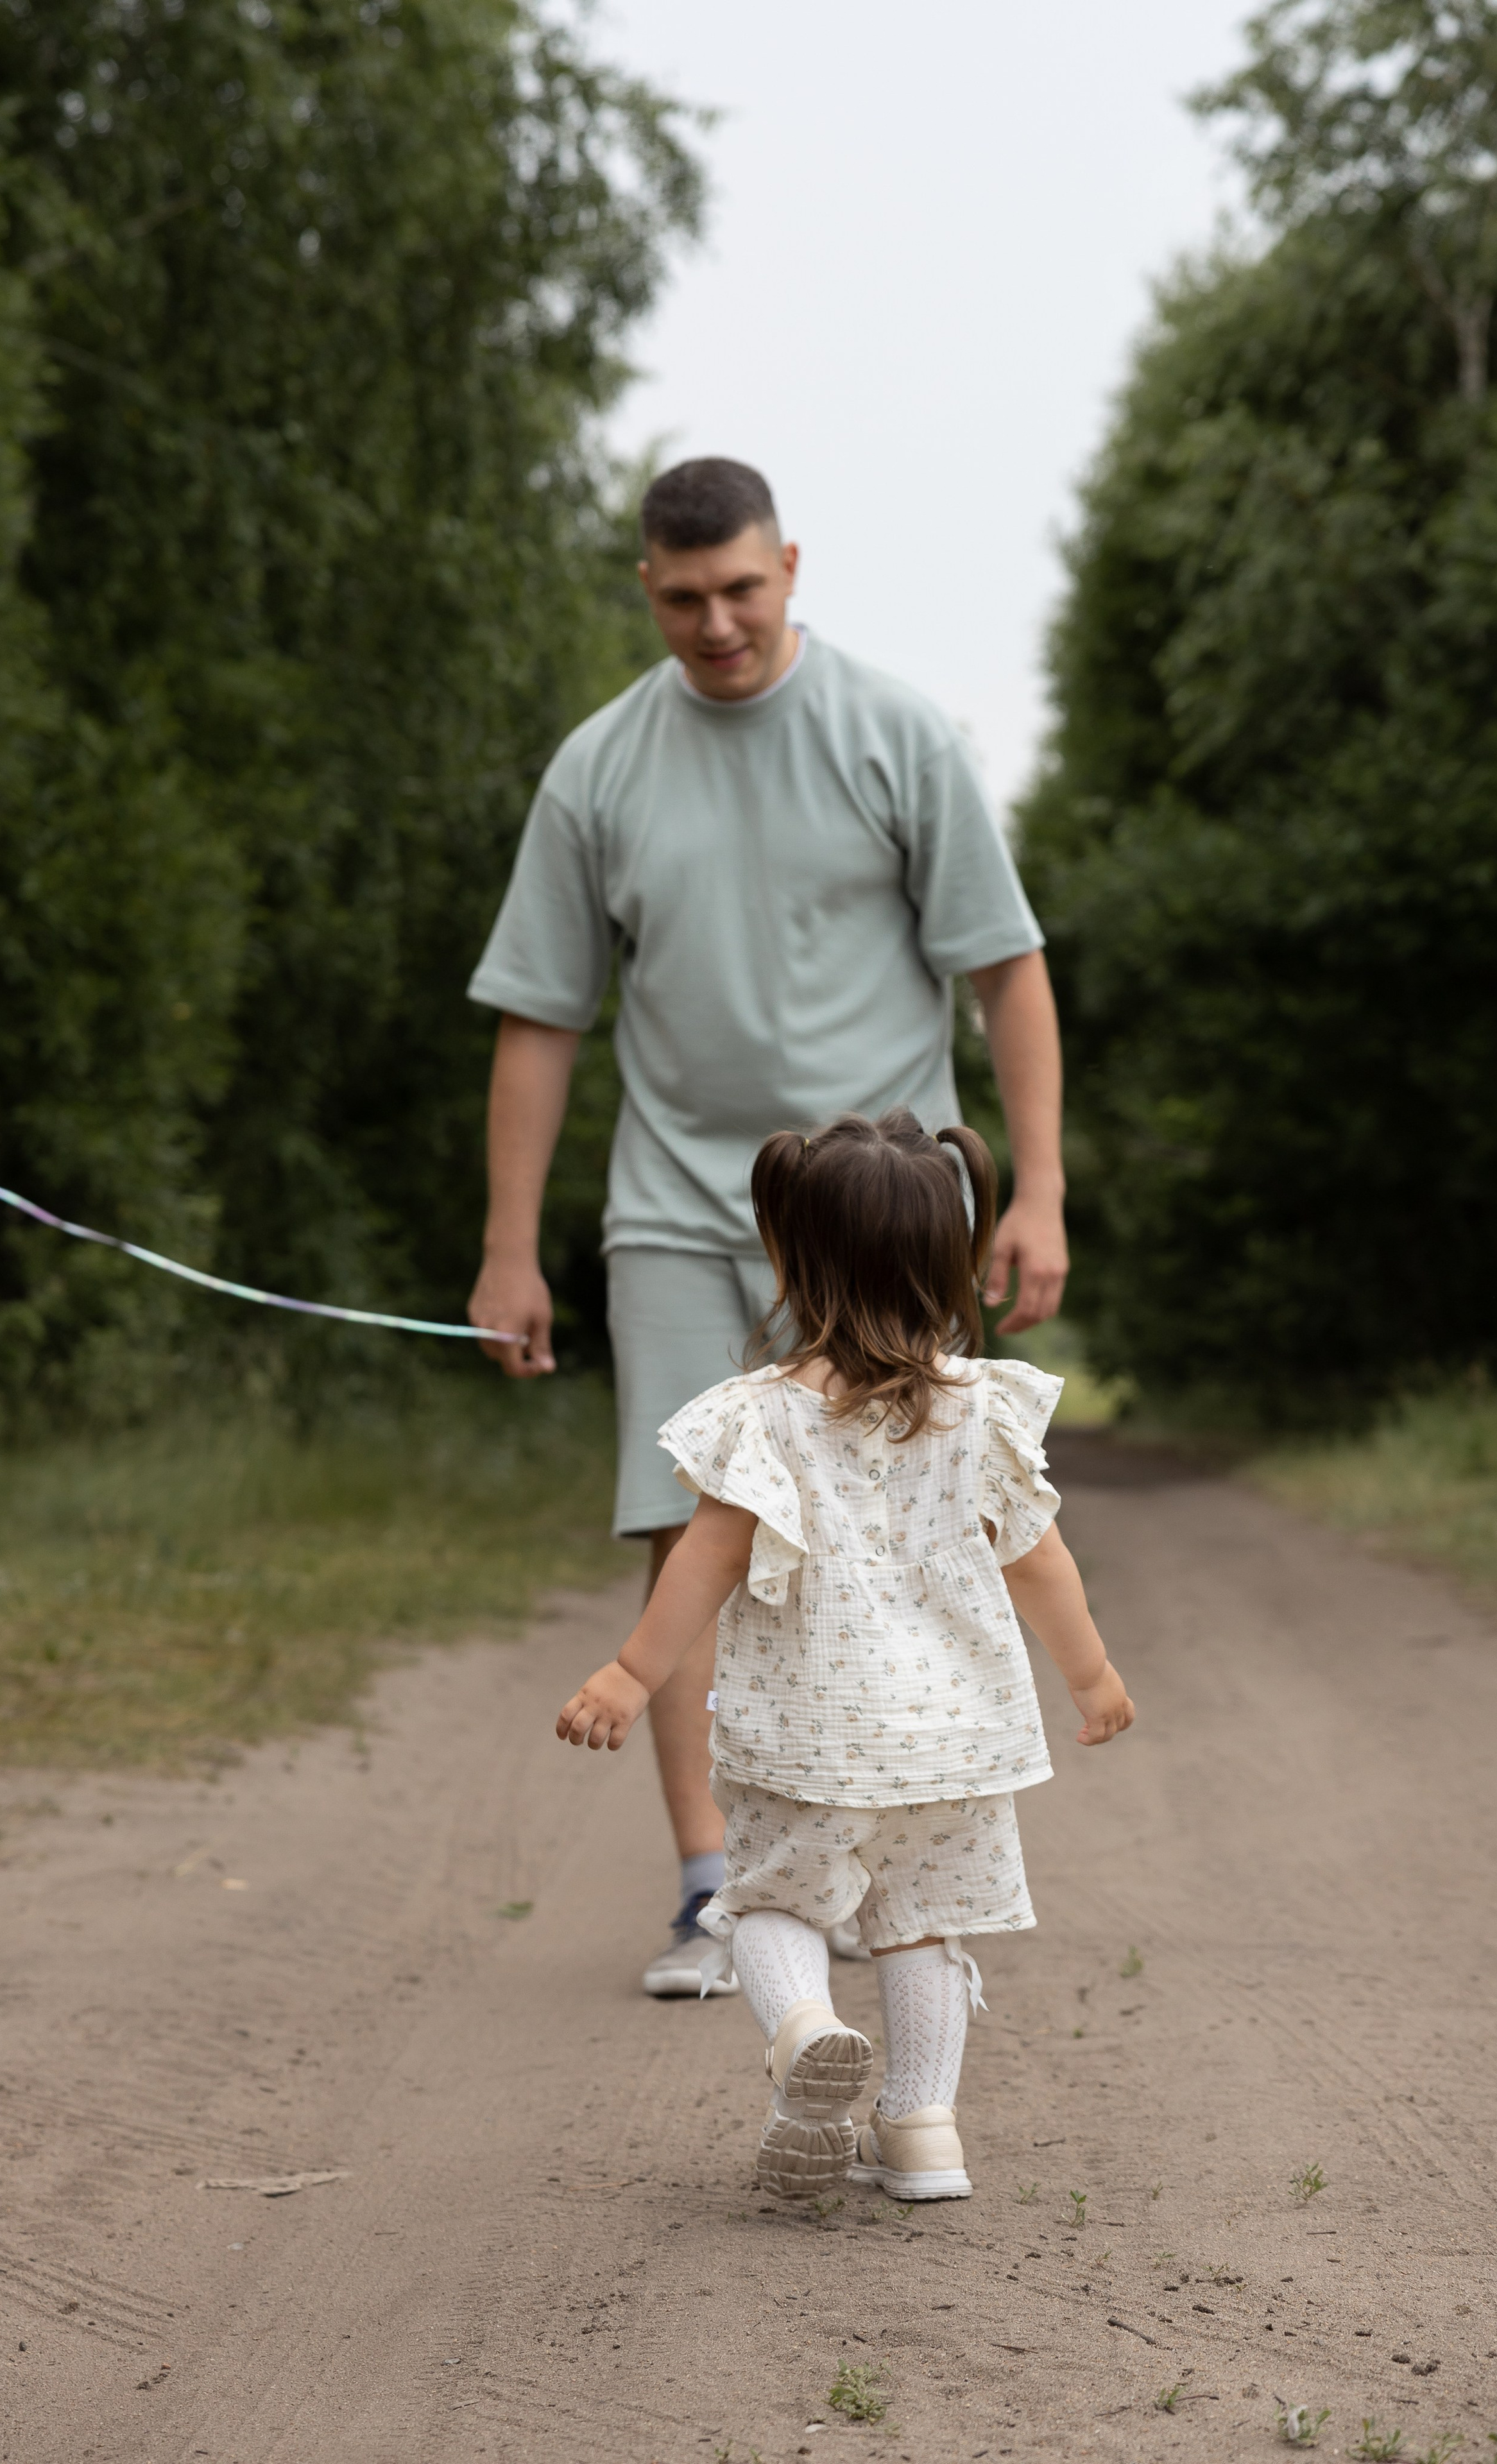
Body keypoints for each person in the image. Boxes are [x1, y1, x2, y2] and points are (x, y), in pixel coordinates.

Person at [467, 456, 1069, 1999]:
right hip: (674, 1203)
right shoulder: (597, 768)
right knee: (693, 1532)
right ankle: (712, 1888)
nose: (716, 624)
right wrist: (509, 1244)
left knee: (918, 1523)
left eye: (741, 589)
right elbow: (539, 1012)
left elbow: (1003, 967)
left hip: (878, 1210)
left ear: (788, 566)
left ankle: (902, 1878)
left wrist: (1038, 1192)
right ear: (648, 594)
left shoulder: (896, 736)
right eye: (682, 600)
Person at [556, 1111, 1134, 2200]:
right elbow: (1042, 1563)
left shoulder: (761, 1422)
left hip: (809, 1735)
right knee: (921, 1926)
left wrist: (632, 1674)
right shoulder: (983, 1413)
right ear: (951, 1259)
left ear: (788, 1259)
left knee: (771, 1903)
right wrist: (1092, 1677)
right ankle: (922, 2133)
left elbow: (703, 1563)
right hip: (955, 1745)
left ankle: (806, 2032)